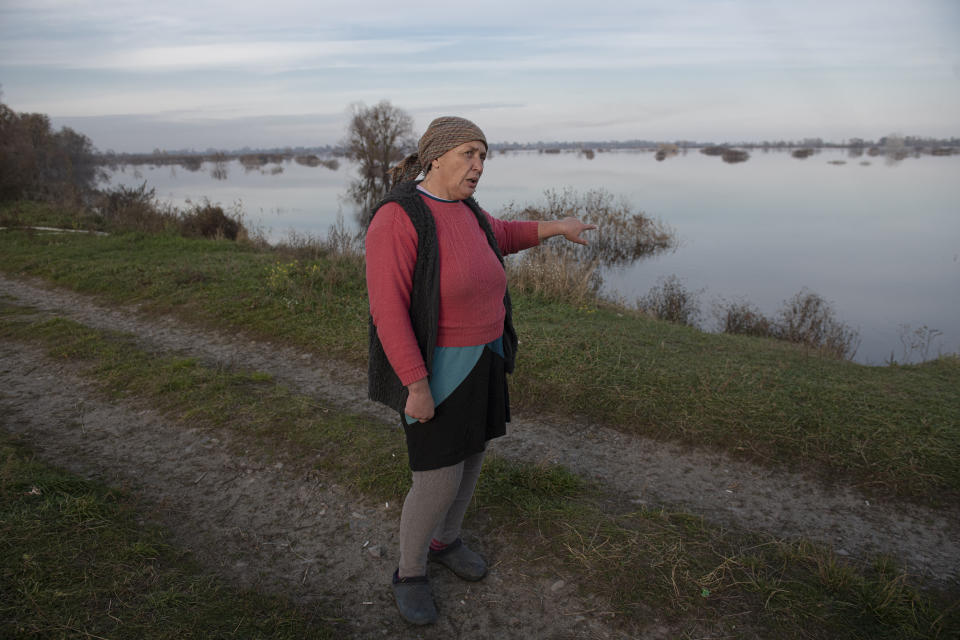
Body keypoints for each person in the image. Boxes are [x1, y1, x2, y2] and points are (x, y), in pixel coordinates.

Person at [365, 116, 595, 625]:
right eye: (469, 153)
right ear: (436, 157)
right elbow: (388, 310)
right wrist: (416, 385)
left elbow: (500, 235)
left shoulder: (466, 209)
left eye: (484, 156)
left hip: (485, 355)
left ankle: (446, 541)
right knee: (436, 478)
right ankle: (410, 571)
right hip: (439, 368)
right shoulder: (399, 217)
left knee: (472, 457)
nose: (478, 165)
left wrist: (557, 227)